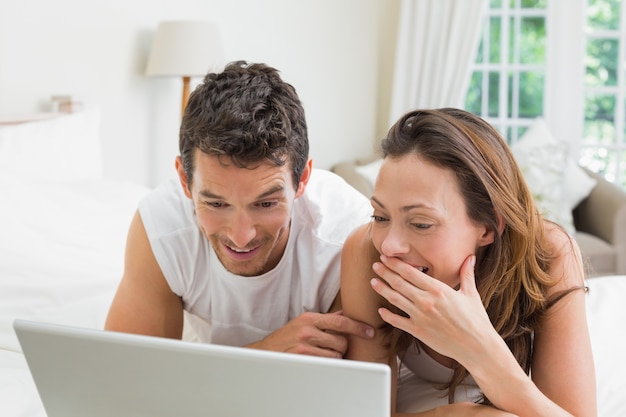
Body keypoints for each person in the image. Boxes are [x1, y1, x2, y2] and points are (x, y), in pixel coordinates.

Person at [105, 61, 375, 358]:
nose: (241, 236)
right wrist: (266, 354)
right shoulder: (162, 229)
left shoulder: (349, 237)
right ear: (184, 180)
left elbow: (345, 393)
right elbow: (128, 374)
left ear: (303, 179)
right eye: (216, 203)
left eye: (266, 203)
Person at [340, 108, 597, 416]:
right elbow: (366, 410)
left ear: (488, 227)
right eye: (380, 216)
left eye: (421, 223)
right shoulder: (368, 252)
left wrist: (479, 346)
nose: (390, 245)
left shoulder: (550, 254)